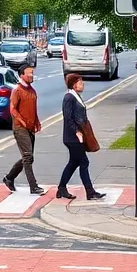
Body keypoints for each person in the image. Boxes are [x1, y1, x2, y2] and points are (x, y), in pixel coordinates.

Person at [58, 73, 105, 201]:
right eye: (80, 82)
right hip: (72, 138)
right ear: (74, 85)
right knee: (84, 162)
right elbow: (68, 117)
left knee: (74, 163)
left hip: (76, 136)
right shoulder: (69, 97)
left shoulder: (75, 96)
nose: (82, 84)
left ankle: (61, 188)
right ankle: (90, 192)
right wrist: (77, 131)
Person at [3, 64, 44, 195]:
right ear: (22, 75)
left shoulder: (32, 90)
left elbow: (33, 108)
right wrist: (22, 121)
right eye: (29, 73)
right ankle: (34, 186)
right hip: (20, 128)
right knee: (27, 156)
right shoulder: (17, 90)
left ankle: (9, 178)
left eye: (32, 73)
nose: (32, 75)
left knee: (29, 158)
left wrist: (37, 121)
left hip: (31, 127)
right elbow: (13, 109)